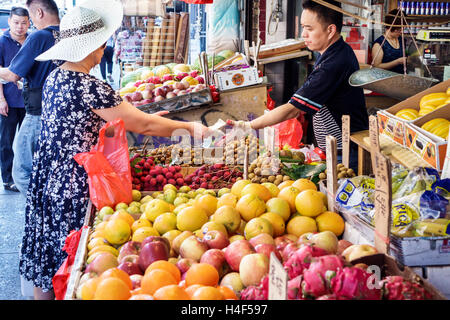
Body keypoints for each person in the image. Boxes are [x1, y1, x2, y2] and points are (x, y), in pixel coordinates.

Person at [19, 0, 210, 300]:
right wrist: (191, 129)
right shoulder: (90, 85)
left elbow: (79, 123)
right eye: (101, 45)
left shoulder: (55, 77)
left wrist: (138, 122)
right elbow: (143, 126)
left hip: (47, 178)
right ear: (91, 47)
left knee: (50, 260)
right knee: (71, 261)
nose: (102, 53)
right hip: (73, 182)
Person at [229, 0, 368, 170]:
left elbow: (293, 109)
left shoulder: (333, 64)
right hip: (335, 147)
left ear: (330, 30)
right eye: (303, 27)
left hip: (345, 151)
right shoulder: (335, 51)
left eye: (309, 29)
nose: (304, 34)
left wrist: (248, 126)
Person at [0, 0, 60, 196]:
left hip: (38, 112)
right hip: (61, 112)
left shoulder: (39, 37)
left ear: (39, 13)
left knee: (22, 172)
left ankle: (42, 209)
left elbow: (12, 75)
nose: (28, 23)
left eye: (30, 17)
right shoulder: (66, 35)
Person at [0, 7, 30, 192]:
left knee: (29, 142)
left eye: (24, 22)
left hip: (30, 101)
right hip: (9, 101)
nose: (20, 27)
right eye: (16, 22)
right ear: (10, 21)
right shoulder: (2, 42)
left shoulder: (33, 41)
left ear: (29, 22)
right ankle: (8, 178)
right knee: (6, 141)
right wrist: (1, 99)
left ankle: (28, 176)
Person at [371, 9, 407, 74]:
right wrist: (397, 62)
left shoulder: (401, 40)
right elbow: (376, 67)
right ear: (391, 27)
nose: (401, 32)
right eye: (399, 30)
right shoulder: (379, 44)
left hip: (400, 78)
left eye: (403, 29)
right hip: (385, 80)